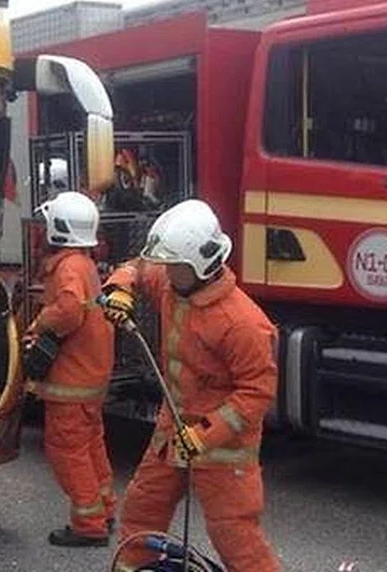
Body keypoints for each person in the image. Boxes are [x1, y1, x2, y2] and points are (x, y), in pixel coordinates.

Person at [102, 198, 281, 572]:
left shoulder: (244, 323)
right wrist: (120, 286)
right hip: (174, 429)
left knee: (235, 534)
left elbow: (256, 393)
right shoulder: (173, 283)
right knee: (142, 511)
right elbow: (138, 266)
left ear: (203, 265)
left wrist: (206, 435)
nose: (166, 273)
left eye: (175, 267)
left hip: (222, 446)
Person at [23, 191, 116, 548]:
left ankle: (88, 524)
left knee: (68, 450)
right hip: (89, 378)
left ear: (59, 230)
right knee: (91, 446)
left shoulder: (68, 268)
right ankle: (104, 510)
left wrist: (40, 323)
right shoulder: (84, 264)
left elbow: (68, 310)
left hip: (72, 382)